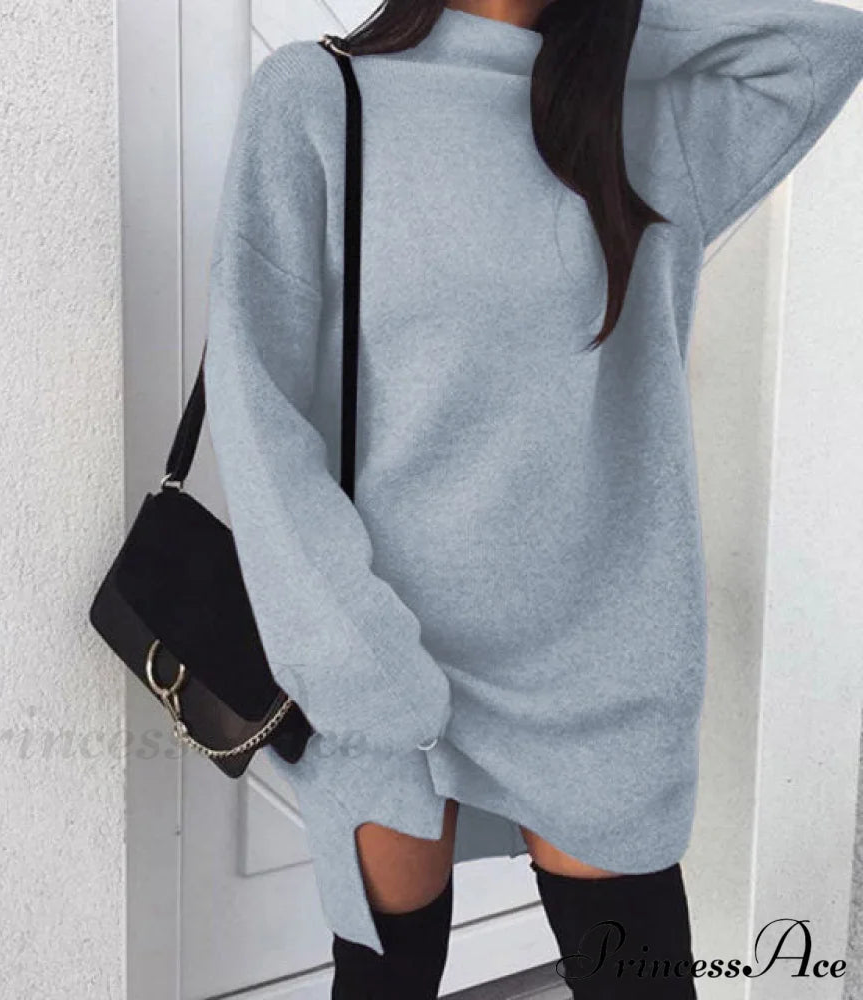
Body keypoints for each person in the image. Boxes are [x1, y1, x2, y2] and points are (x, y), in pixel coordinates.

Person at [203, 0, 863, 996]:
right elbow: (258, 402)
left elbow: (821, 50)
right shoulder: (319, 98)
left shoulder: (643, 125)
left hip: (599, 673)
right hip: (388, 652)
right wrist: (353, 661)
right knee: (386, 983)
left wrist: (610, 21)